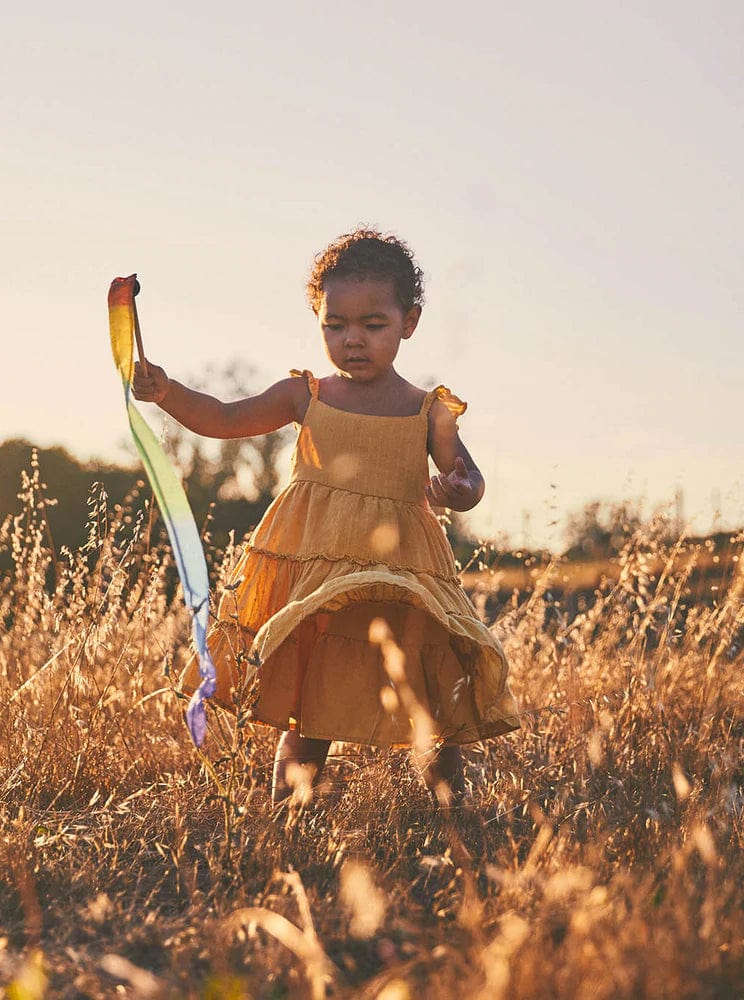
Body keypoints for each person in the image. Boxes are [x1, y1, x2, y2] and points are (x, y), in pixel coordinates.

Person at [132, 229, 519, 806]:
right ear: (317, 318)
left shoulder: (426, 409)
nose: (352, 340)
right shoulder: (305, 395)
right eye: (334, 325)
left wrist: (456, 488)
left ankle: (453, 813)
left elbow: (469, 478)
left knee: (429, 693)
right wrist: (167, 392)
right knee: (309, 706)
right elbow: (222, 417)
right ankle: (289, 816)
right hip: (315, 564)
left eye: (373, 324)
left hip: (400, 568)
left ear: (409, 321)